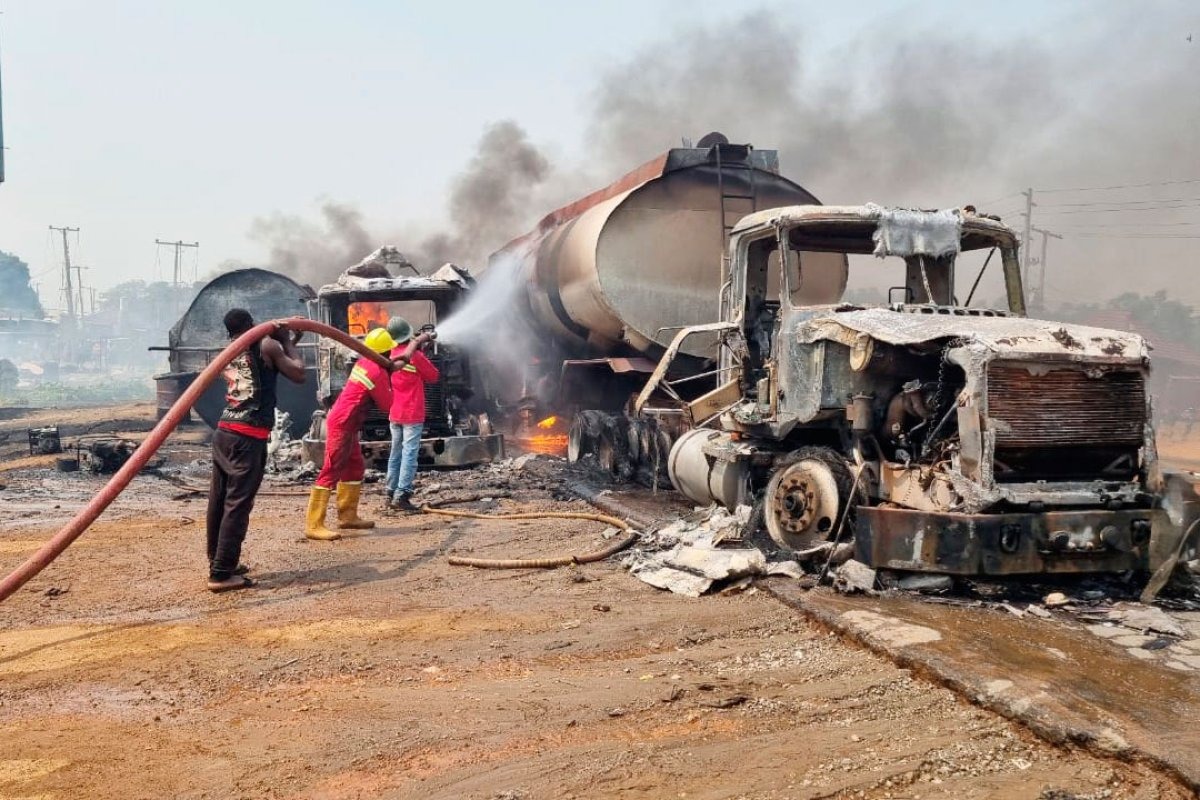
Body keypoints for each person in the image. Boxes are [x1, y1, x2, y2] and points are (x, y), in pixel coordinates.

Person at [207, 310, 307, 592]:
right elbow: (298, 374)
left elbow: (261, 371)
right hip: (247, 437)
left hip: (224, 431)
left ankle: (219, 560)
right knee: (238, 504)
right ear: (252, 324)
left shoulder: (228, 349)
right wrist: (286, 341)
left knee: (219, 501)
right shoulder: (266, 345)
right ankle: (222, 574)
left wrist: (288, 343)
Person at [305, 327, 396, 540]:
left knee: (354, 468)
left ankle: (348, 516)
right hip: (343, 424)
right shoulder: (376, 371)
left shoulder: (365, 363)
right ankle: (314, 524)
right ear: (385, 353)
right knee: (331, 469)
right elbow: (387, 404)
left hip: (348, 423)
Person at [384, 317, 439, 512]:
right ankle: (402, 495)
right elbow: (433, 376)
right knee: (409, 454)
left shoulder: (391, 353)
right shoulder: (414, 356)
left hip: (395, 412)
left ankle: (390, 492)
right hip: (412, 413)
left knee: (395, 453)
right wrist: (420, 351)